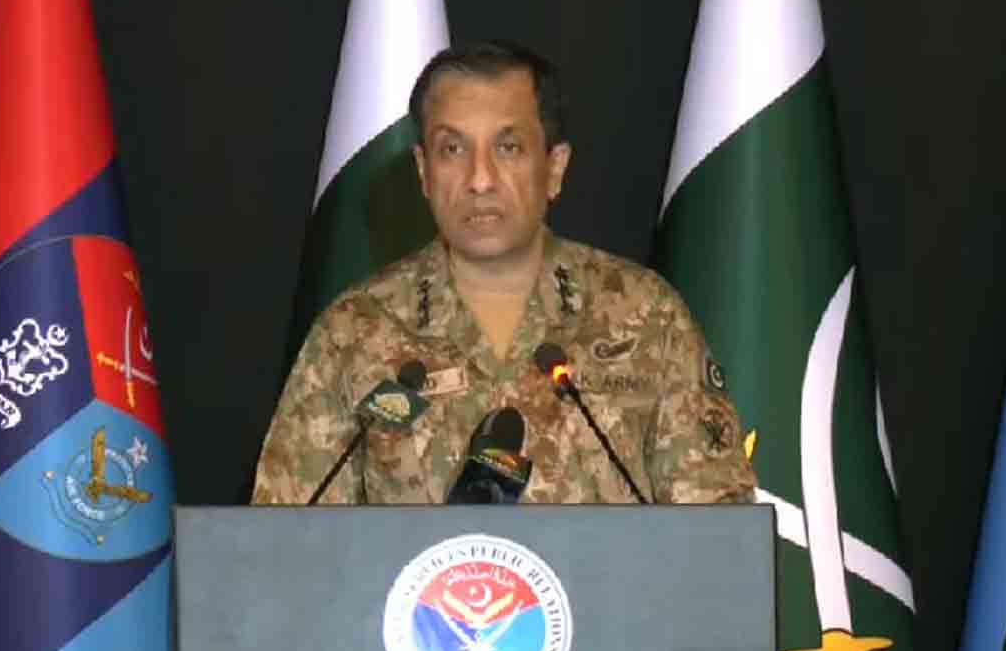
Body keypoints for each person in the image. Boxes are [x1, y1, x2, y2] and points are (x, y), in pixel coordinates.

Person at [252, 41, 755, 504]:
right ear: (423, 171)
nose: (480, 179)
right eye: (453, 149)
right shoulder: (353, 332)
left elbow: (716, 531)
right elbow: (289, 540)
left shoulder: (646, 316)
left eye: (508, 147)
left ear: (554, 167)